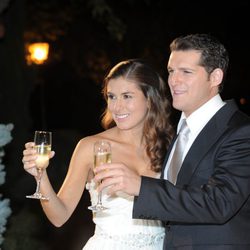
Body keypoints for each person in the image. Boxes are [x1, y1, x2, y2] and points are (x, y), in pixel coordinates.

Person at [95, 33, 250, 249]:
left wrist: (141, 186)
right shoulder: (179, 130)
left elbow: (219, 202)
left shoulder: (241, 131)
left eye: (186, 72)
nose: (174, 81)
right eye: (171, 71)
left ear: (215, 77)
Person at [22, 59, 174, 249]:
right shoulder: (90, 147)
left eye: (127, 96)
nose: (117, 107)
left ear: (150, 99)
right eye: (112, 96)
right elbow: (59, 217)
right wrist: (40, 177)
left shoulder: (171, 146)